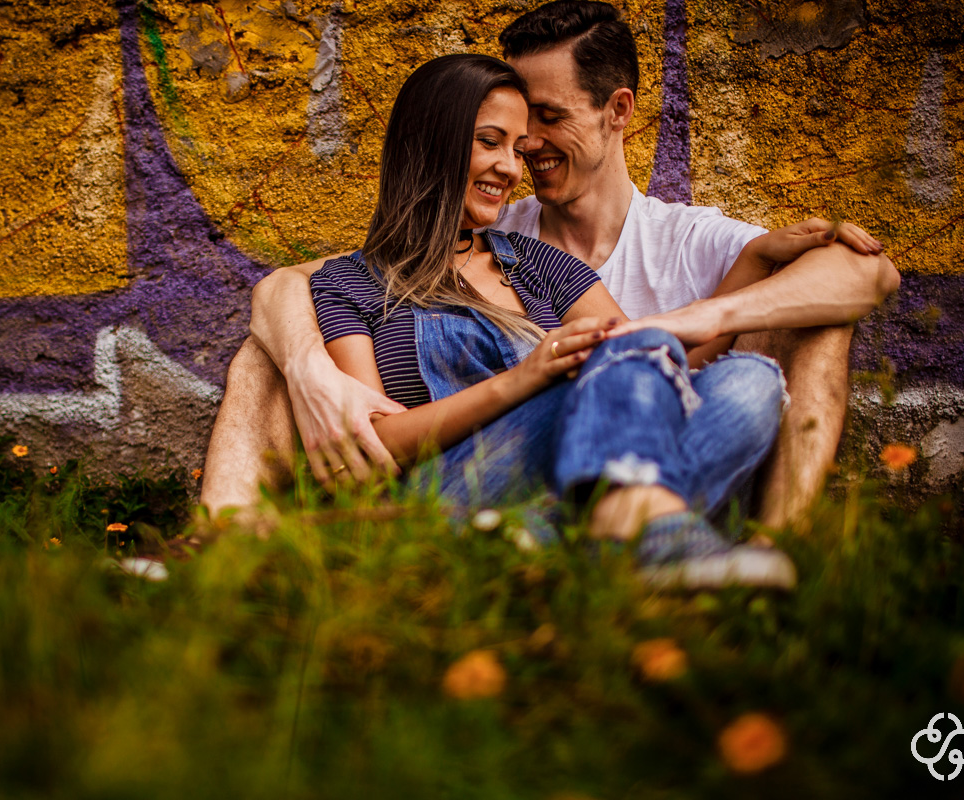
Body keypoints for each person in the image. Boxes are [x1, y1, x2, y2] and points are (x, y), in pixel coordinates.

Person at [202, 0, 900, 535]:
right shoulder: (480, 232)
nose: (523, 151)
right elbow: (305, 281)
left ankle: (756, 544)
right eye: (498, 137)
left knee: (753, 372)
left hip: (621, 441)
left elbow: (868, 278)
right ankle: (226, 544)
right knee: (264, 352)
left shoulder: (661, 240)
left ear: (616, 111)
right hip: (485, 464)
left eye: (544, 118)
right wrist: (310, 369)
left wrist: (721, 296)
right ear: (441, 144)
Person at [306, 52, 795, 588]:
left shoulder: (536, 262)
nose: (511, 169)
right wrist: (525, 379)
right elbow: (374, 445)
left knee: (751, 380)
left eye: (517, 151)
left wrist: (753, 260)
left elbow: (648, 358)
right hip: (444, 490)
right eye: (490, 142)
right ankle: (638, 540)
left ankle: (547, 541)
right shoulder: (350, 283)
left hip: (559, 477)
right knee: (591, 373)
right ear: (430, 139)